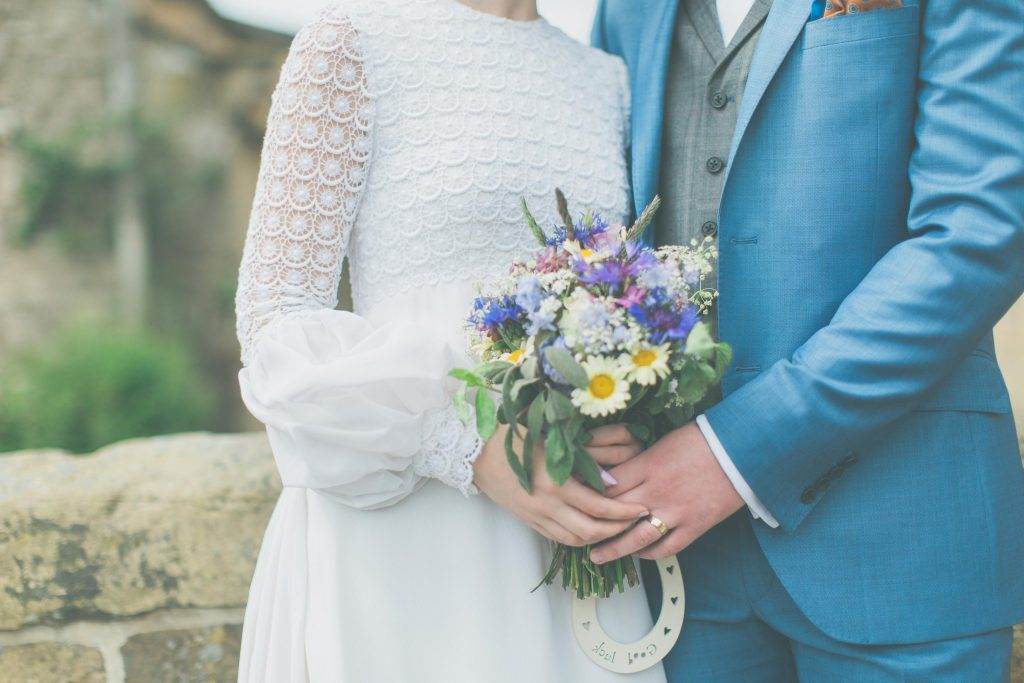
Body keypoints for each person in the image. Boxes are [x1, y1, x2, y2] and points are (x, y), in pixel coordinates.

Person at [590, 0, 1024, 680]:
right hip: (675, 568)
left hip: (899, 540)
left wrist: (736, 452)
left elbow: (977, 230)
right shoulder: (626, 11)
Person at [233, 0, 665, 680]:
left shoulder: (603, 76)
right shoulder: (351, 42)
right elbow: (273, 320)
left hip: (569, 520)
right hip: (411, 516)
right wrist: (472, 444)